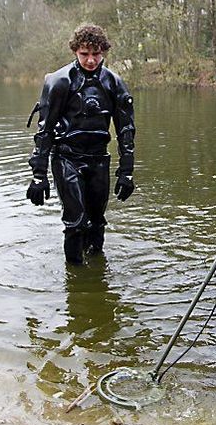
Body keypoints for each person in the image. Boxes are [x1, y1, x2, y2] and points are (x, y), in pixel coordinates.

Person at [26, 24, 136, 264]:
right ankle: (76, 280)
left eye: (96, 54)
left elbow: (125, 129)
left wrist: (126, 172)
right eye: (84, 54)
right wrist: (38, 174)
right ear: (75, 51)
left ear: (104, 52)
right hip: (67, 157)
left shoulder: (113, 83)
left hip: (98, 158)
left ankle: (96, 269)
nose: (90, 60)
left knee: (97, 220)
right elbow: (44, 130)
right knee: (76, 221)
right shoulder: (59, 81)